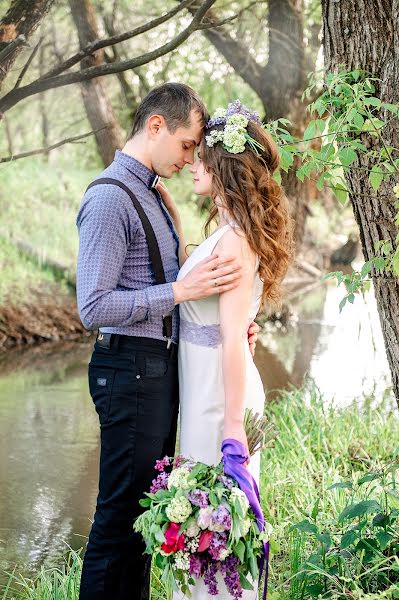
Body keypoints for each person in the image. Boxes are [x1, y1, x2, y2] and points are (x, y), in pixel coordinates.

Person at [76, 84, 259, 600]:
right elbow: (92, 307)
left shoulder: (154, 194)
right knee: (118, 520)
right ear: (155, 126)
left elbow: (184, 289)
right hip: (129, 369)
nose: (190, 157)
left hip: (155, 374)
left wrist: (230, 320)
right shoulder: (112, 197)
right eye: (186, 145)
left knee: (141, 520)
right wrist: (181, 291)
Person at [156, 101, 293, 599]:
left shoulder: (235, 243)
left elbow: (233, 336)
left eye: (203, 156)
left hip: (220, 403)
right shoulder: (227, 232)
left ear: (225, 167)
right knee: (203, 538)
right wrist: (171, 212)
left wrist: (233, 431)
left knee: (215, 539)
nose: (193, 162)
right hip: (205, 392)